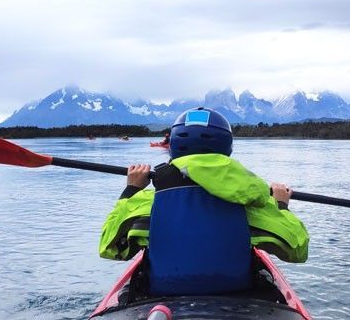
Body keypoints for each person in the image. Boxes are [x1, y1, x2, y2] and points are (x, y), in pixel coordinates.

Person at [99, 107, 308, 296]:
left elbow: (109, 247)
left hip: (163, 301)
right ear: (227, 147)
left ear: (173, 146)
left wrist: (131, 190)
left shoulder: (147, 203)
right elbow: (297, 250)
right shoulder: (253, 205)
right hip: (239, 298)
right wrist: (281, 205)